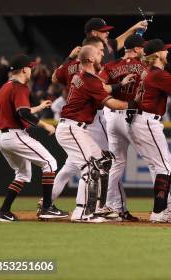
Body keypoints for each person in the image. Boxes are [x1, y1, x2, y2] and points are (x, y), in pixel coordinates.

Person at [54, 45, 133, 222]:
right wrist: (136, 104)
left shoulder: (82, 76)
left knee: (104, 161)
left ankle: (98, 207)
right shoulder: (89, 80)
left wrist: (120, 85)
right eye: (99, 53)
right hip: (71, 128)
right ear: (90, 59)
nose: (103, 54)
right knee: (91, 168)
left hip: (76, 127)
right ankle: (81, 212)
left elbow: (102, 89)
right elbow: (112, 103)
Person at [0, 54, 68, 222]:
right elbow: (22, 113)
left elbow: (20, 112)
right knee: (50, 163)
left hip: (2, 138)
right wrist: (45, 125)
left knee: (22, 174)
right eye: (30, 67)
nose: (31, 70)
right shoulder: (20, 87)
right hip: (14, 135)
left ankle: (3, 211)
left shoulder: (5, 87)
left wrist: (39, 107)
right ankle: (47, 208)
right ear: (24, 69)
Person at [130, 39, 171, 223]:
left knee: (159, 166)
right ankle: (159, 212)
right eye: (164, 51)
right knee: (165, 166)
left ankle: (168, 208)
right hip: (147, 121)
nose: (167, 53)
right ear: (157, 54)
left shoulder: (150, 72)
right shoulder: (156, 74)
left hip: (141, 121)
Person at [100, 34, 147, 222]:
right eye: (142, 48)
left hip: (111, 115)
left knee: (116, 163)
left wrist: (117, 85)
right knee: (157, 162)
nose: (144, 51)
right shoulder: (144, 66)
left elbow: (100, 86)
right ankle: (166, 208)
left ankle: (109, 206)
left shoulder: (110, 66)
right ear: (136, 49)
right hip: (131, 115)